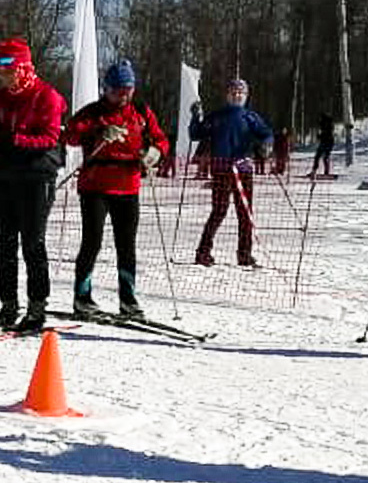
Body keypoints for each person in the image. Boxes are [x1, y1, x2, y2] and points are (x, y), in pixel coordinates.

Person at [0, 37, 65, 331]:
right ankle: (8, 305)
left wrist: (13, 141)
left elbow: (50, 138)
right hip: (5, 176)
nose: (1, 73)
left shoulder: (47, 96)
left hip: (36, 175)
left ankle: (37, 307)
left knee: (32, 243)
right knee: (5, 243)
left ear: (22, 66)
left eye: (6, 67)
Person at [66, 59, 169, 320]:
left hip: (128, 184)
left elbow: (160, 139)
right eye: (117, 90)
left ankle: (128, 301)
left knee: (127, 245)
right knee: (92, 241)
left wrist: (155, 152)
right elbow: (70, 135)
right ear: (106, 89)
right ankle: (82, 298)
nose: (123, 96)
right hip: (95, 186)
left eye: (128, 90)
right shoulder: (92, 112)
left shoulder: (142, 112)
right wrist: (100, 129)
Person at [189, 78, 273, 266]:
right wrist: (196, 116)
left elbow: (266, 132)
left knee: (244, 212)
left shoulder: (250, 117)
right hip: (221, 169)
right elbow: (195, 133)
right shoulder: (217, 116)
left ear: (246, 96)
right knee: (219, 210)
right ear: (227, 95)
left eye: (240, 93)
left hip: (243, 169)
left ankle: (244, 254)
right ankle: (203, 252)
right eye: (233, 92)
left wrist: (267, 145)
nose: (237, 95)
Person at [311, 113, 336, 177]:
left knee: (324, 157)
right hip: (325, 142)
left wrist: (320, 136)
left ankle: (325, 172)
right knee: (318, 156)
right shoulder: (325, 124)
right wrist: (319, 136)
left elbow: (327, 134)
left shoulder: (328, 125)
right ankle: (314, 171)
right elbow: (324, 134)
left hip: (328, 142)